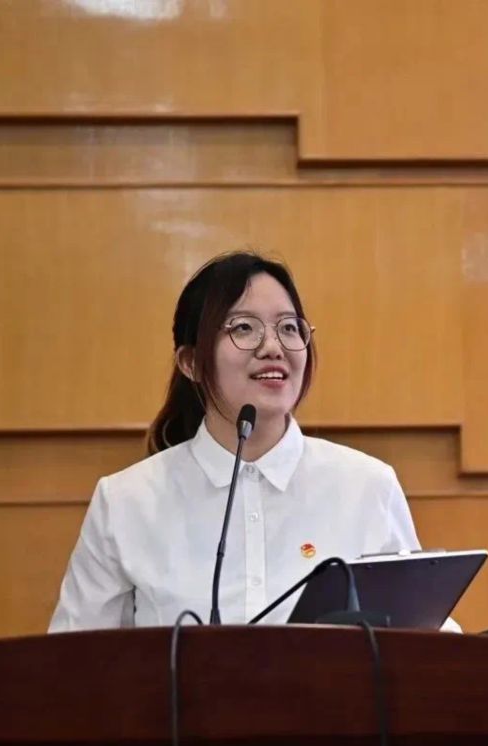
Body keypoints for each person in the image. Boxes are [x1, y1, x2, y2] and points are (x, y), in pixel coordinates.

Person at [49, 249, 439, 631]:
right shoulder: (126, 501)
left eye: (289, 327)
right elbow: (75, 658)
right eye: (243, 328)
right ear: (190, 363)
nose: (273, 348)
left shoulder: (368, 487)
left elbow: (422, 637)